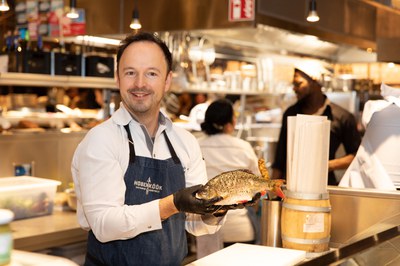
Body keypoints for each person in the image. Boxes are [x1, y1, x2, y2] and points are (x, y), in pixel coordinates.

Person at [71, 32, 245, 266]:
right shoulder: (101, 140)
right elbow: (104, 224)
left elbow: (195, 224)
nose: (140, 83)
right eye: (130, 72)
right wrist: (172, 204)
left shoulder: (185, 142)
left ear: (167, 81)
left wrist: (218, 207)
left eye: (151, 73)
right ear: (117, 78)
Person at [271, 64, 361, 185]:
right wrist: (271, 190)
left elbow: (357, 155)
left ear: (315, 82)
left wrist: (326, 165)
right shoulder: (290, 113)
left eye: (298, 84)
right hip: (291, 186)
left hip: (326, 186)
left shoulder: (342, 116)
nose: (294, 88)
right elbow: (280, 158)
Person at [196, 99, 261, 258]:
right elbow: (258, 183)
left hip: (205, 227)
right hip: (240, 228)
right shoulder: (243, 146)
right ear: (230, 122)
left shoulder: (196, 145)